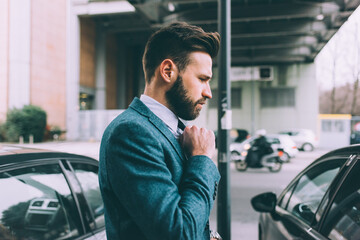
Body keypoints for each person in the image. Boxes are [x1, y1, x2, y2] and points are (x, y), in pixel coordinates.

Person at [99, 22, 221, 240]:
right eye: (202, 79)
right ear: (167, 71)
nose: (208, 92)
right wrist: (202, 159)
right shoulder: (130, 133)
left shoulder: (179, 132)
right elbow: (179, 233)